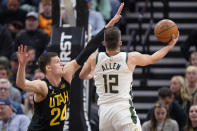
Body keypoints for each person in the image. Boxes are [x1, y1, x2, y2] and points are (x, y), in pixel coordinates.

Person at [16, 3, 124, 131]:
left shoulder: (67, 73)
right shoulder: (42, 86)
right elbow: (21, 84)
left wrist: (109, 25)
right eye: (57, 62)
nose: (62, 63)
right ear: (48, 68)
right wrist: (22, 66)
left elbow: (89, 48)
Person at [79, 25, 179, 130]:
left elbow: (82, 75)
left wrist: (91, 75)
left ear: (104, 43)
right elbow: (153, 58)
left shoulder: (94, 58)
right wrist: (170, 46)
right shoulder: (130, 57)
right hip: (123, 110)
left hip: (104, 113)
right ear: (120, 43)